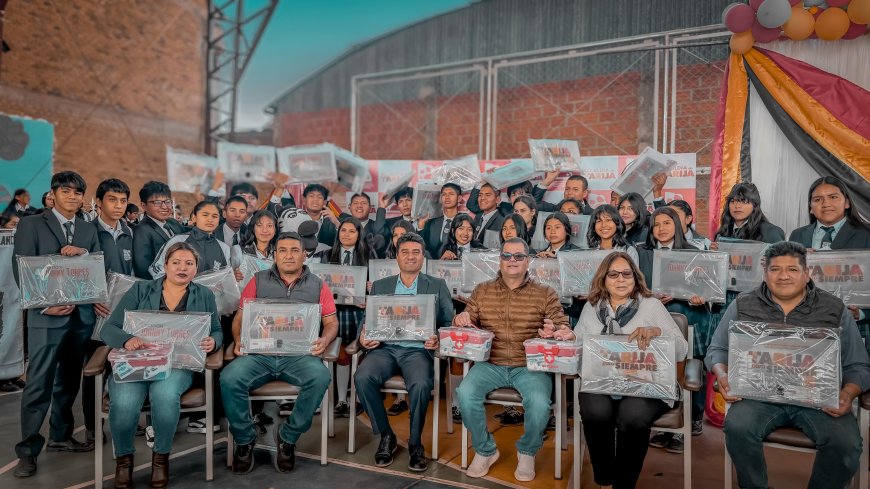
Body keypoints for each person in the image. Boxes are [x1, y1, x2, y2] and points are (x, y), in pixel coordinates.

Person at [706, 241, 870, 489]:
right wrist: (722, 373)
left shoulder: (834, 309)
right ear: (765, 273)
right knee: (737, 427)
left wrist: (848, 393)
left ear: (807, 274)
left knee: (846, 444)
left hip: (819, 401)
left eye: (792, 269)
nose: (783, 276)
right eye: (775, 269)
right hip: (759, 398)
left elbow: (858, 365)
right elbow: (717, 350)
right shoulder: (743, 304)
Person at [549, 251, 688, 489]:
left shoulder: (651, 306)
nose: (621, 279)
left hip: (646, 383)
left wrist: (658, 332)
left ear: (636, 277)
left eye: (626, 273)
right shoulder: (592, 307)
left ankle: (624, 484)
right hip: (602, 381)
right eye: (613, 274)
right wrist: (569, 336)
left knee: (631, 416)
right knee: (595, 411)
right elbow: (580, 340)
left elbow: (682, 350)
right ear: (603, 279)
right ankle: (605, 476)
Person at [99, 242, 222, 488]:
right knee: (124, 402)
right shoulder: (140, 290)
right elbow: (109, 329)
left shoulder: (204, 295)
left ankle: (161, 459)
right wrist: (127, 339)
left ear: (196, 268)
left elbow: (217, 329)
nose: (182, 268)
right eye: (176, 262)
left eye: (189, 263)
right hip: (137, 362)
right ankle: (124, 461)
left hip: (179, 364)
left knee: (165, 394)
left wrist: (213, 341)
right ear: (165, 266)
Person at [453, 237, 571, 482]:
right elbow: (467, 317)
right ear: (500, 260)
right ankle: (485, 450)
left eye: (518, 256)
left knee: (539, 404)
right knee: (464, 394)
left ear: (528, 261)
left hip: (529, 365)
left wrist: (556, 330)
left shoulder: (545, 292)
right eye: (507, 255)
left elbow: (562, 324)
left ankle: (527, 451)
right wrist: (460, 319)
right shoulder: (482, 290)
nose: (512, 260)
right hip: (490, 363)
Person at [221, 232, 338, 474]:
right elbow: (239, 318)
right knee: (229, 378)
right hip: (259, 355)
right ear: (275, 255)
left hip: (299, 356)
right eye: (282, 250)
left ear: (304, 255)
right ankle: (244, 439)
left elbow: (331, 322)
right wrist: (238, 339)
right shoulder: (258, 280)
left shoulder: (318, 284)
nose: (288, 255)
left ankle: (288, 436)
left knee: (320, 377)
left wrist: (325, 339)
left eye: (295, 250)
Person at [12, 171, 101, 478]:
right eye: (66, 191)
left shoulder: (88, 228)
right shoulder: (32, 224)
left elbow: (96, 263)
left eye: (78, 192)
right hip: (46, 317)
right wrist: (43, 305)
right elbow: (21, 268)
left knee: (69, 381)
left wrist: (84, 253)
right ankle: (27, 450)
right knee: (39, 383)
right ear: (53, 194)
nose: (72, 197)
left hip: (80, 317)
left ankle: (60, 436)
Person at [355, 232, 455, 470]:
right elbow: (367, 321)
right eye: (405, 252)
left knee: (420, 384)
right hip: (385, 349)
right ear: (397, 256)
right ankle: (386, 435)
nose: (411, 256)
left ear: (423, 257)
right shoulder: (381, 285)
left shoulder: (437, 285)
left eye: (416, 252)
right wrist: (362, 337)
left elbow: (448, 324)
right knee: (362, 377)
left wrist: (437, 338)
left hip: (418, 351)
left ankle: (415, 442)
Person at [636, 206, 707, 452]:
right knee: (658, 371)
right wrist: (649, 295)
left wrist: (700, 297)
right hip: (652, 320)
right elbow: (633, 286)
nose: (661, 228)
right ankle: (664, 427)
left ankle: (686, 425)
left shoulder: (693, 252)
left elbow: (705, 288)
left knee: (685, 370)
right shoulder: (641, 253)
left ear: (677, 225)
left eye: (667, 223)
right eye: (656, 224)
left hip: (687, 316)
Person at [788, 176, 870, 350]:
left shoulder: (866, 234)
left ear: (847, 202)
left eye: (833, 197)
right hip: (805, 323)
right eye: (818, 199)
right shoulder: (797, 236)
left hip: (854, 327)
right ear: (811, 207)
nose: (825, 204)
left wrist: (862, 313)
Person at [84, 178, 135, 444]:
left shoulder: (130, 233)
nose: (118, 205)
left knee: (122, 367)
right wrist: (92, 298)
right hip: (97, 311)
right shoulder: (87, 232)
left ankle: (123, 420)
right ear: (99, 202)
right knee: (95, 368)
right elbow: (80, 271)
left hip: (123, 312)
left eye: (123, 201)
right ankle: (93, 427)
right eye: (112, 200)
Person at [313, 217, 376, 417]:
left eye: (351, 231)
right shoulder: (325, 256)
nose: (346, 234)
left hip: (359, 313)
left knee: (358, 354)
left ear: (359, 235)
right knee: (339, 354)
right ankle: (341, 400)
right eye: (343, 230)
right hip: (333, 313)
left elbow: (376, 287)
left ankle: (357, 399)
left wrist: (371, 289)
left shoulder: (368, 256)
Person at [148, 201, 239, 279]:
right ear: (194, 218)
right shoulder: (178, 241)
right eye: (205, 215)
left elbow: (225, 277)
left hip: (210, 295)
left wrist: (233, 277)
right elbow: (156, 268)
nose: (210, 219)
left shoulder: (224, 248)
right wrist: (173, 286)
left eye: (214, 216)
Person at [132, 181, 187, 279]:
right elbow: (143, 269)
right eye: (157, 203)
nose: (164, 207)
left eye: (167, 202)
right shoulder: (141, 230)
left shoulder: (173, 223)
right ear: (144, 205)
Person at [712, 182, 784, 244]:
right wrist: (713, 252)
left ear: (755, 205)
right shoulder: (722, 233)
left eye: (744, 201)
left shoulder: (770, 232)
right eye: (733, 201)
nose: (737, 206)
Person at [420, 183, 465, 258]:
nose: (447, 197)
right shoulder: (431, 223)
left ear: (459, 198)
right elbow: (423, 246)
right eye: (444, 194)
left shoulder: (465, 222)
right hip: (433, 263)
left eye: (451, 194)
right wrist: (420, 226)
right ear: (441, 198)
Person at [347, 192, 386, 256]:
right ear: (349, 207)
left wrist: (381, 207)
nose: (359, 206)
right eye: (355, 203)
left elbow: (379, 233)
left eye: (364, 203)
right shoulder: (343, 225)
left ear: (370, 208)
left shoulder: (375, 226)